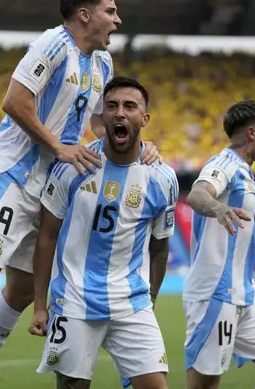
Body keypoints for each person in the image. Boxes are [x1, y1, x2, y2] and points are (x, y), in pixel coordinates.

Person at [0, 0, 161, 389]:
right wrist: (58, 146)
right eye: (110, 10)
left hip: (51, 185)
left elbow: (98, 122)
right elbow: (14, 101)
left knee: (23, 289)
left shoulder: (102, 64)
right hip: (13, 175)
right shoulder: (52, 45)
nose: (117, 19)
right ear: (85, 14)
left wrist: (139, 145)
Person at [28, 76, 177, 389]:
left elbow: (160, 249)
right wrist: (40, 305)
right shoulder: (73, 167)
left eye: (129, 106)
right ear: (103, 116)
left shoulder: (162, 179)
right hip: (74, 300)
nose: (120, 112)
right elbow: (46, 238)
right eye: (112, 106)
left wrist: (150, 300)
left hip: (132, 302)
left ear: (144, 118)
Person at [183, 100, 255, 389]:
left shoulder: (246, 174)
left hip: (243, 292)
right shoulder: (225, 164)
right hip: (215, 295)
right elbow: (197, 196)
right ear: (251, 132)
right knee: (205, 384)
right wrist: (220, 210)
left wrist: (251, 280)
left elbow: (233, 244)